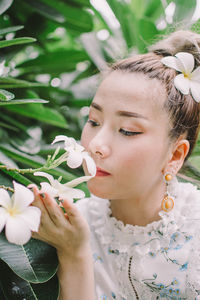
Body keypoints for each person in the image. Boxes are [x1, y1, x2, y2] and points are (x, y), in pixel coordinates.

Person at [31, 30, 200, 300]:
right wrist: (74, 254)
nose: (96, 143)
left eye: (128, 130)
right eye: (94, 121)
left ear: (175, 155)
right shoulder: (67, 227)